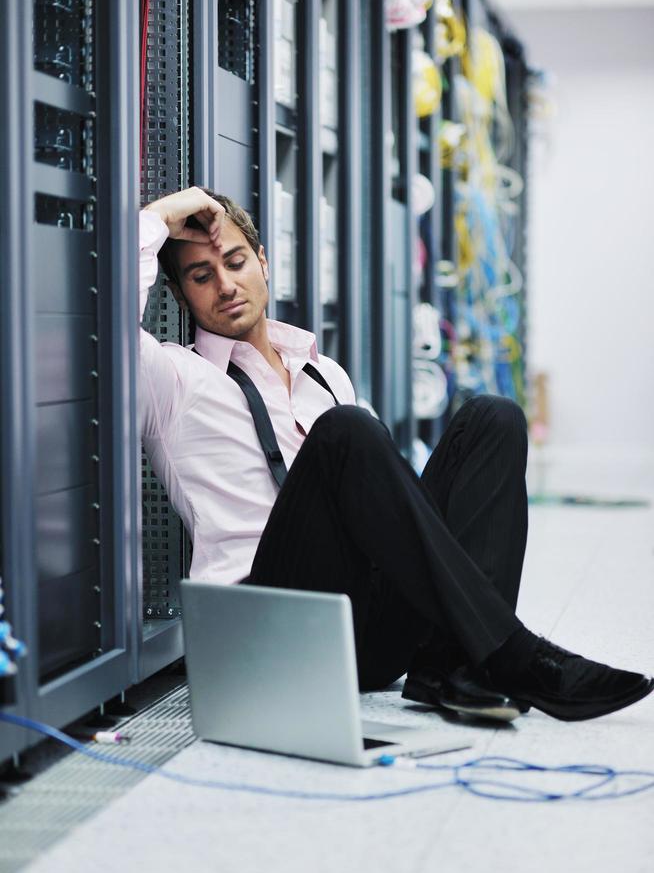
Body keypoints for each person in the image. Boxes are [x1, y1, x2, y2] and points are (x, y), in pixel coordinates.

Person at [139, 185, 653, 723]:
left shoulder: (324, 373)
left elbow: (382, 510)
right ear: (181, 295)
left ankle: (453, 667)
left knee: (493, 418)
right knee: (346, 432)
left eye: (236, 262)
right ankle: (512, 653)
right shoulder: (174, 379)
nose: (225, 285)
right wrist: (160, 216)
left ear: (263, 264)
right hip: (278, 625)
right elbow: (101, 316)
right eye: (201, 277)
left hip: (370, 630)